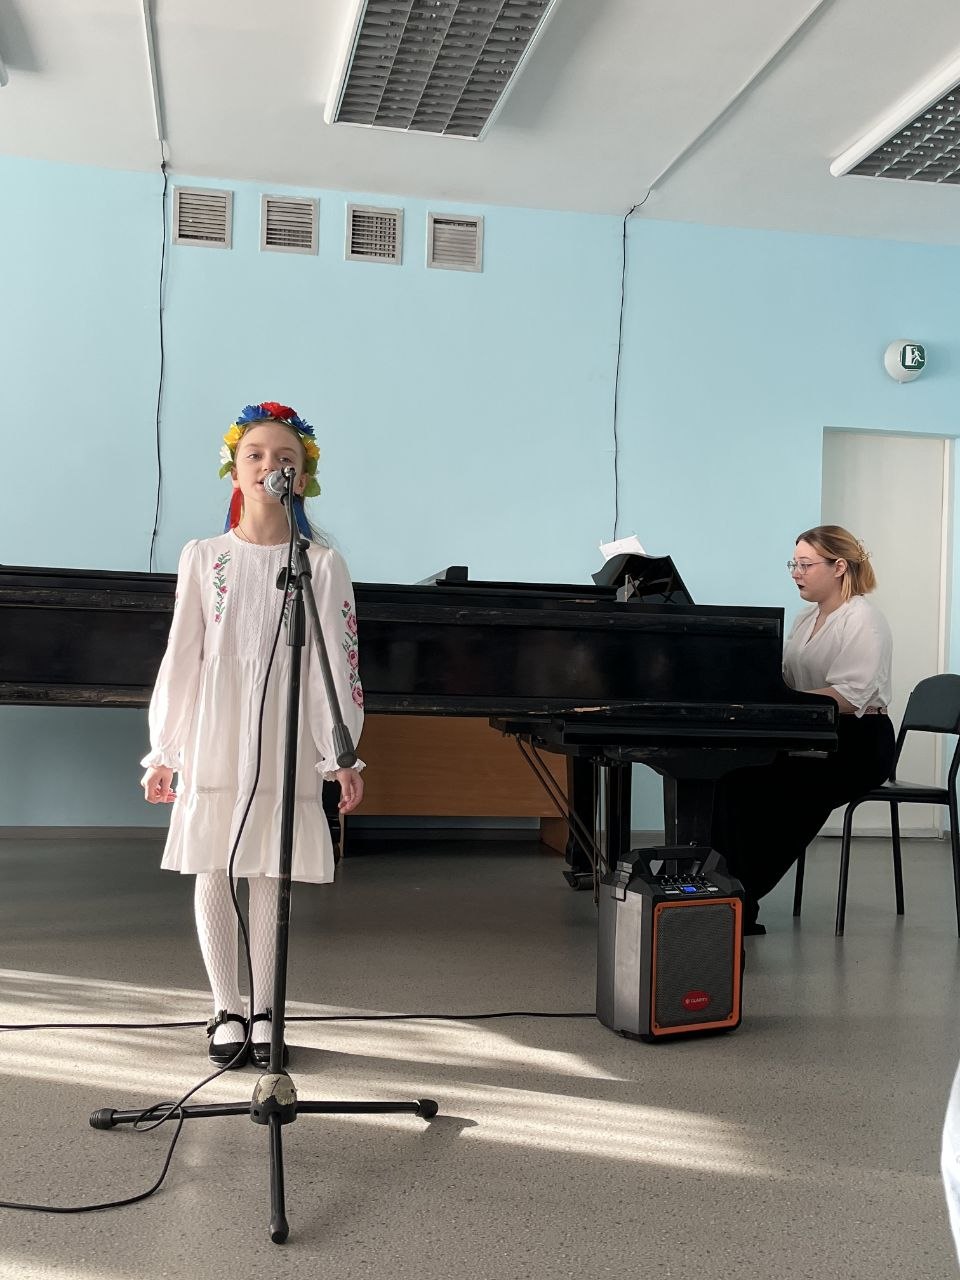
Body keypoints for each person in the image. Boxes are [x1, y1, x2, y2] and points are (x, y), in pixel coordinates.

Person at [140, 401, 365, 1067]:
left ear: (304, 477)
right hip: (216, 722)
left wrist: (340, 752)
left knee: (271, 865)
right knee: (215, 861)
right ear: (234, 471)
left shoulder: (322, 564)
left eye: (286, 458)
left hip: (284, 727)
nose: (271, 466)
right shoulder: (203, 557)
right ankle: (226, 1008)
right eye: (257, 455)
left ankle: (267, 1009)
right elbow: (182, 655)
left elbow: (335, 666)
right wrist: (165, 747)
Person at [711, 525, 895, 934]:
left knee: (773, 788)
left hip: (858, 741)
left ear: (839, 567)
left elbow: (849, 696)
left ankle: (740, 900)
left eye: (806, 564)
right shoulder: (805, 618)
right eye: (793, 564)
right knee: (730, 779)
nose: (796, 573)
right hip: (815, 733)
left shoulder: (863, 619)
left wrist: (785, 702)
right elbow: (787, 679)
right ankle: (725, 892)